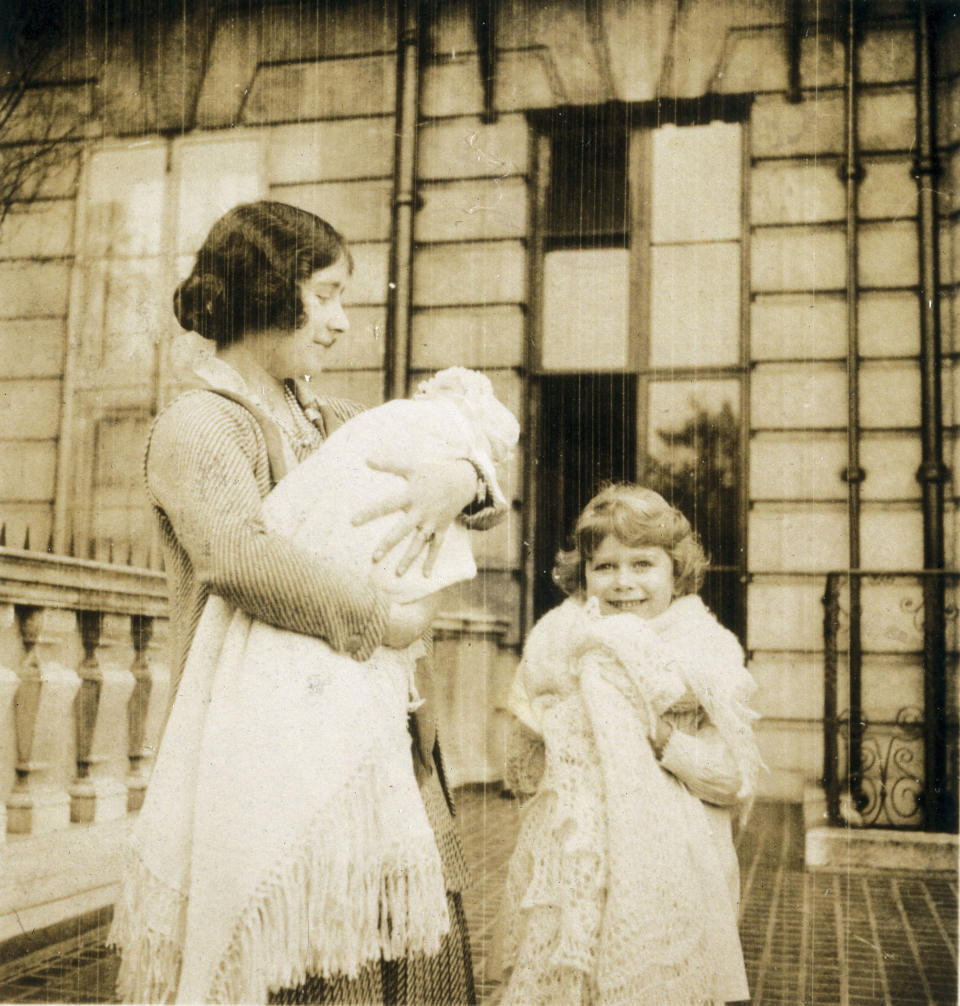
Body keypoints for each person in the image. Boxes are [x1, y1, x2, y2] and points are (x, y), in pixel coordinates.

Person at [108, 201, 510, 1005]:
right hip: (262, 749)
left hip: (376, 735)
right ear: (267, 289)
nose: (340, 321)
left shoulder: (332, 419)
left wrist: (461, 481)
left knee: (404, 952)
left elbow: (477, 483)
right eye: (326, 294)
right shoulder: (200, 424)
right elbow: (237, 556)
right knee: (306, 964)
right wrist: (382, 618)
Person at [497, 484, 763, 1006]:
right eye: (606, 567)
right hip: (578, 864)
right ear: (584, 574)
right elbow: (528, 769)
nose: (623, 584)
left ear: (675, 570)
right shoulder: (559, 643)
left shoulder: (705, 654)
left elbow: (732, 781)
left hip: (674, 875)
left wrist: (661, 737)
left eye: (642, 565)